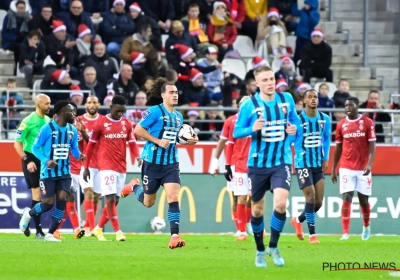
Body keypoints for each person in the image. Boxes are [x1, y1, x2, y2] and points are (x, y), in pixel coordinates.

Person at [120, 77, 198, 249]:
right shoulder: (154, 112)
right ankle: (134, 186)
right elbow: (138, 130)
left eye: (176, 92)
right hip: (152, 163)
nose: (175, 95)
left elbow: (181, 135)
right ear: (163, 95)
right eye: (171, 92)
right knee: (149, 203)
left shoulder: (178, 117)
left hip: (171, 163)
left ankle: (175, 236)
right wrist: (157, 141)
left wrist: (192, 139)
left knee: (173, 196)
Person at [233, 65, 299, 267]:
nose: (270, 83)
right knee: (257, 210)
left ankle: (273, 246)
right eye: (265, 80)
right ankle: (260, 250)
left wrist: (293, 132)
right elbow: (236, 132)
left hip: (282, 161)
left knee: (280, 203)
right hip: (258, 164)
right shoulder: (249, 105)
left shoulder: (286, 99)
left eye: (272, 79)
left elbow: (295, 123)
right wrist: (251, 129)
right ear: (257, 83)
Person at [19, 101, 86, 242]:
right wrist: (46, 160)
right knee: (47, 204)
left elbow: (73, 148)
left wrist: (79, 154)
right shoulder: (46, 128)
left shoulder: (72, 130)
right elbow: (35, 148)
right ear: (61, 112)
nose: (74, 114)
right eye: (71, 111)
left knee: (63, 199)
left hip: (64, 172)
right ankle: (28, 213)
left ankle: (50, 234)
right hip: (48, 173)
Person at [82, 95, 141, 242]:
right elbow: (90, 146)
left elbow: (132, 143)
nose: (120, 114)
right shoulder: (100, 123)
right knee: (109, 199)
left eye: (122, 111)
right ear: (111, 108)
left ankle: (98, 228)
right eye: (117, 111)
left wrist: (138, 156)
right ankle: (118, 232)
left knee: (115, 201)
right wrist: (86, 166)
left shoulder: (127, 124)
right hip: (105, 166)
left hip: (121, 167)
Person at [331, 97, 376, 241]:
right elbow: (338, 147)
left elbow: (372, 146)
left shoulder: (368, 123)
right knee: (347, 197)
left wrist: (369, 164)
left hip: (363, 167)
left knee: (363, 200)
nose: (347, 108)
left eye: (350, 105)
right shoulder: (341, 125)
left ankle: (366, 226)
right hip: (346, 166)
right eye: (346, 106)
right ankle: (345, 232)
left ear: (357, 106)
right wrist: (334, 168)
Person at [291, 89, 331, 244]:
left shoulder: (325, 119)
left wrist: (325, 158)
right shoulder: (297, 120)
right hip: (302, 164)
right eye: (310, 97)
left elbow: (326, 139)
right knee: (310, 196)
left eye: (315, 97)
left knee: (318, 203)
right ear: (304, 101)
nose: (313, 99)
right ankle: (312, 235)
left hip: (317, 163)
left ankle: (297, 220)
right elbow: (290, 141)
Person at [209, 96, 251, 237]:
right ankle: (239, 228)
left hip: (251, 164)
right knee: (236, 196)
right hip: (234, 164)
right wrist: (216, 162)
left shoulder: (256, 120)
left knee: (252, 197)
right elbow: (223, 142)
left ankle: (249, 224)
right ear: (238, 106)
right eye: (242, 103)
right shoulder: (231, 121)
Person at [14, 94, 51, 238]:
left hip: (44, 159)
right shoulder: (28, 121)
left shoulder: (48, 120)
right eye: (46, 104)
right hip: (31, 159)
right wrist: (26, 160)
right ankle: (39, 231)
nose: (49, 106)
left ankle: (26, 217)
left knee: (45, 196)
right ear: (38, 104)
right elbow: (17, 143)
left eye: (49, 103)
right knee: (38, 195)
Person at [226, 96, 252, 241]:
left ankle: (249, 225)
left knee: (254, 199)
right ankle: (241, 230)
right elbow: (229, 143)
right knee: (240, 197)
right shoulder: (234, 123)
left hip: (255, 165)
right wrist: (227, 165)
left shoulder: (258, 121)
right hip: (239, 165)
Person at [78, 96, 103, 236]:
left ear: (99, 104)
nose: (92, 105)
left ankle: (88, 225)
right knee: (88, 192)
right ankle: (93, 228)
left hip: (100, 164)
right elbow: (75, 141)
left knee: (96, 196)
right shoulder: (79, 120)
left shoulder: (103, 121)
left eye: (94, 102)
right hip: (85, 164)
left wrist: (83, 132)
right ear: (85, 104)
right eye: (89, 102)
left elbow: (99, 144)